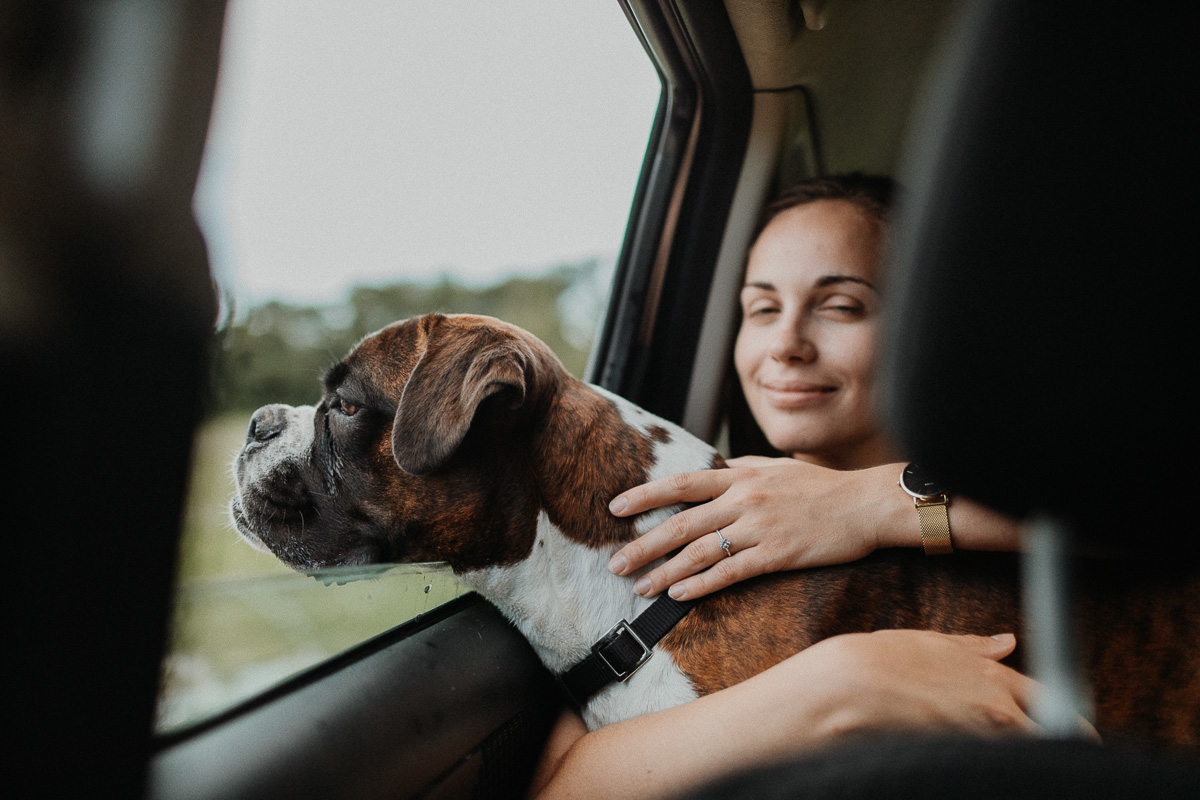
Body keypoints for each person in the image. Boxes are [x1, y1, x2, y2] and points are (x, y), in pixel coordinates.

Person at [528, 175, 1083, 800]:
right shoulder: (705, 518)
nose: (786, 345)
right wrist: (847, 680)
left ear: (929, 327)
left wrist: (868, 504)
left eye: (841, 306)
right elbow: (564, 789)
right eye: (762, 309)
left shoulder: (1028, 492)